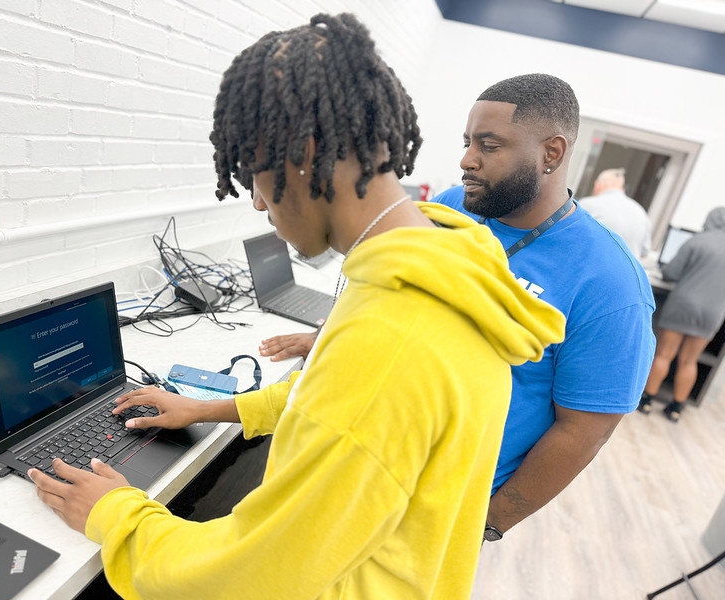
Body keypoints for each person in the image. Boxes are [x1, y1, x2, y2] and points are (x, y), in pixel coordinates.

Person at [28, 15, 565, 600]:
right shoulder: (441, 262)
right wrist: (209, 407)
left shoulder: (392, 337)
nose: (258, 203)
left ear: (305, 153)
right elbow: (334, 402)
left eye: (253, 175)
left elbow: (253, 576)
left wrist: (115, 513)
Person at [261, 73, 657, 541]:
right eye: (468, 142)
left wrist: (487, 522)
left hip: (438, 511)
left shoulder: (612, 283)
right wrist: (328, 339)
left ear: (551, 153)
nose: (467, 159)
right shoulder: (452, 209)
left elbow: (584, 430)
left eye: (489, 146)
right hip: (360, 460)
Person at [638, 207, 725, 421]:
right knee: (690, 361)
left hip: (684, 306)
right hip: (713, 313)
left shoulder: (697, 241)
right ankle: (676, 408)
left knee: (664, 354)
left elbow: (671, 273)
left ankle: (647, 401)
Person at [577, 167, 652, 258]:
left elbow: (572, 238)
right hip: (626, 272)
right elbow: (644, 252)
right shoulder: (641, 212)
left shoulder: (587, 204)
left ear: (598, 185)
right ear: (622, 188)